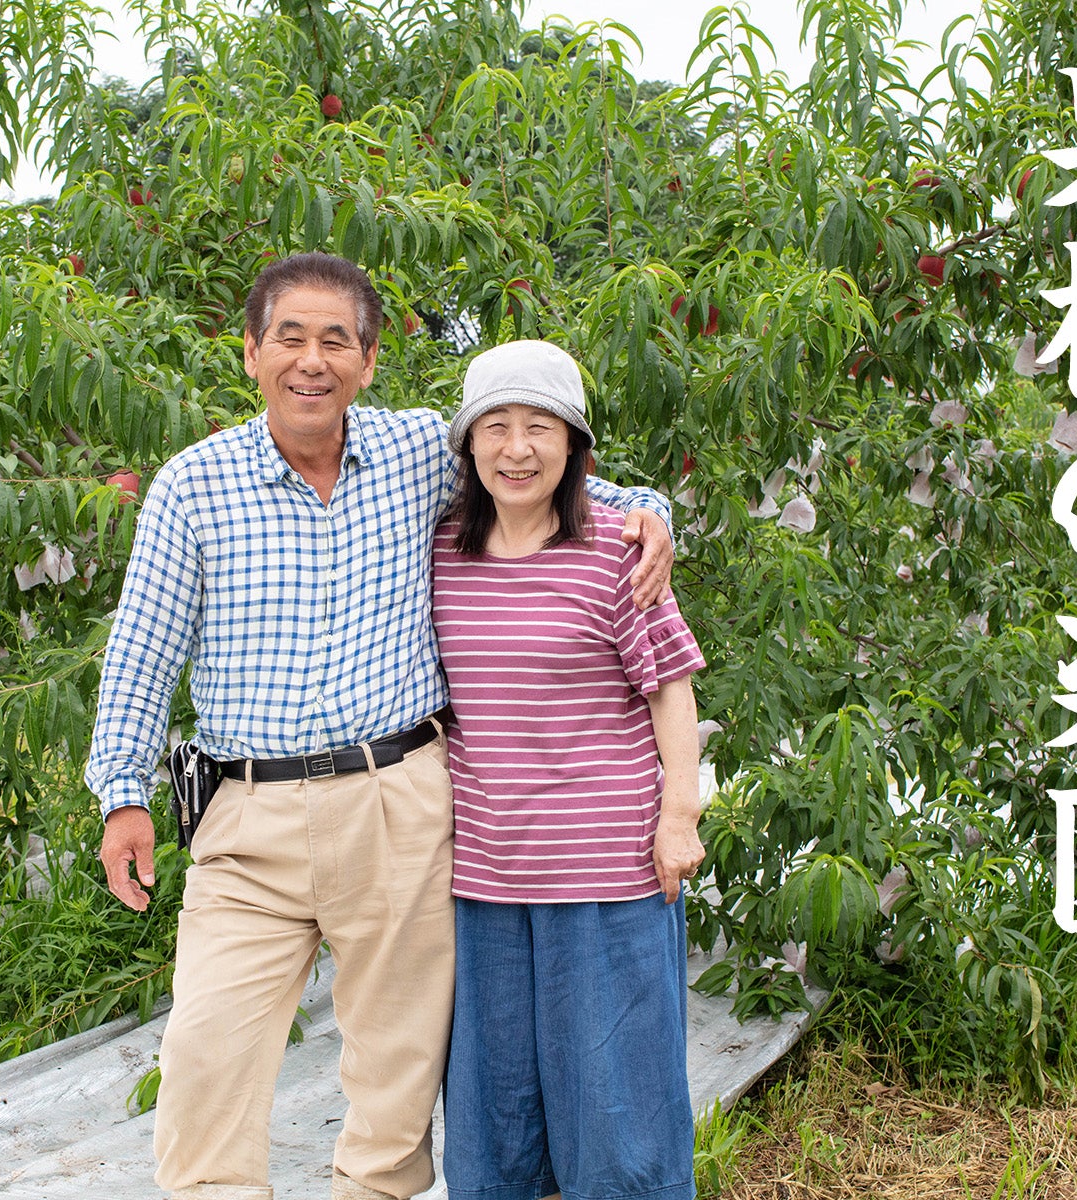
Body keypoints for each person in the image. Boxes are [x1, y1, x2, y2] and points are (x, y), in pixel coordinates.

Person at [83, 253, 676, 1200]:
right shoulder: (193, 485)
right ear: (250, 354)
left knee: (395, 1090)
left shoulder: (414, 456)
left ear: (367, 361)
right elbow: (144, 649)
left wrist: (649, 511)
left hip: (399, 802)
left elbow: (538, 475)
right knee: (204, 1064)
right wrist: (124, 795)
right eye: (290, 338)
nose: (310, 361)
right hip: (247, 820)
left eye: (335, 341)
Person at [431, 339, 707, 1200]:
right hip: (482, 875)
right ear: (469, 446)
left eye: (540, 429)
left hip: (607, 873)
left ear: (575, 447)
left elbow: (672, 692)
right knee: (491, 1113)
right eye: (497, 428)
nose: (518, 449)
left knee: (616, 1112)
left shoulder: (617, 555)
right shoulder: (441, 551)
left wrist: (680, 818)